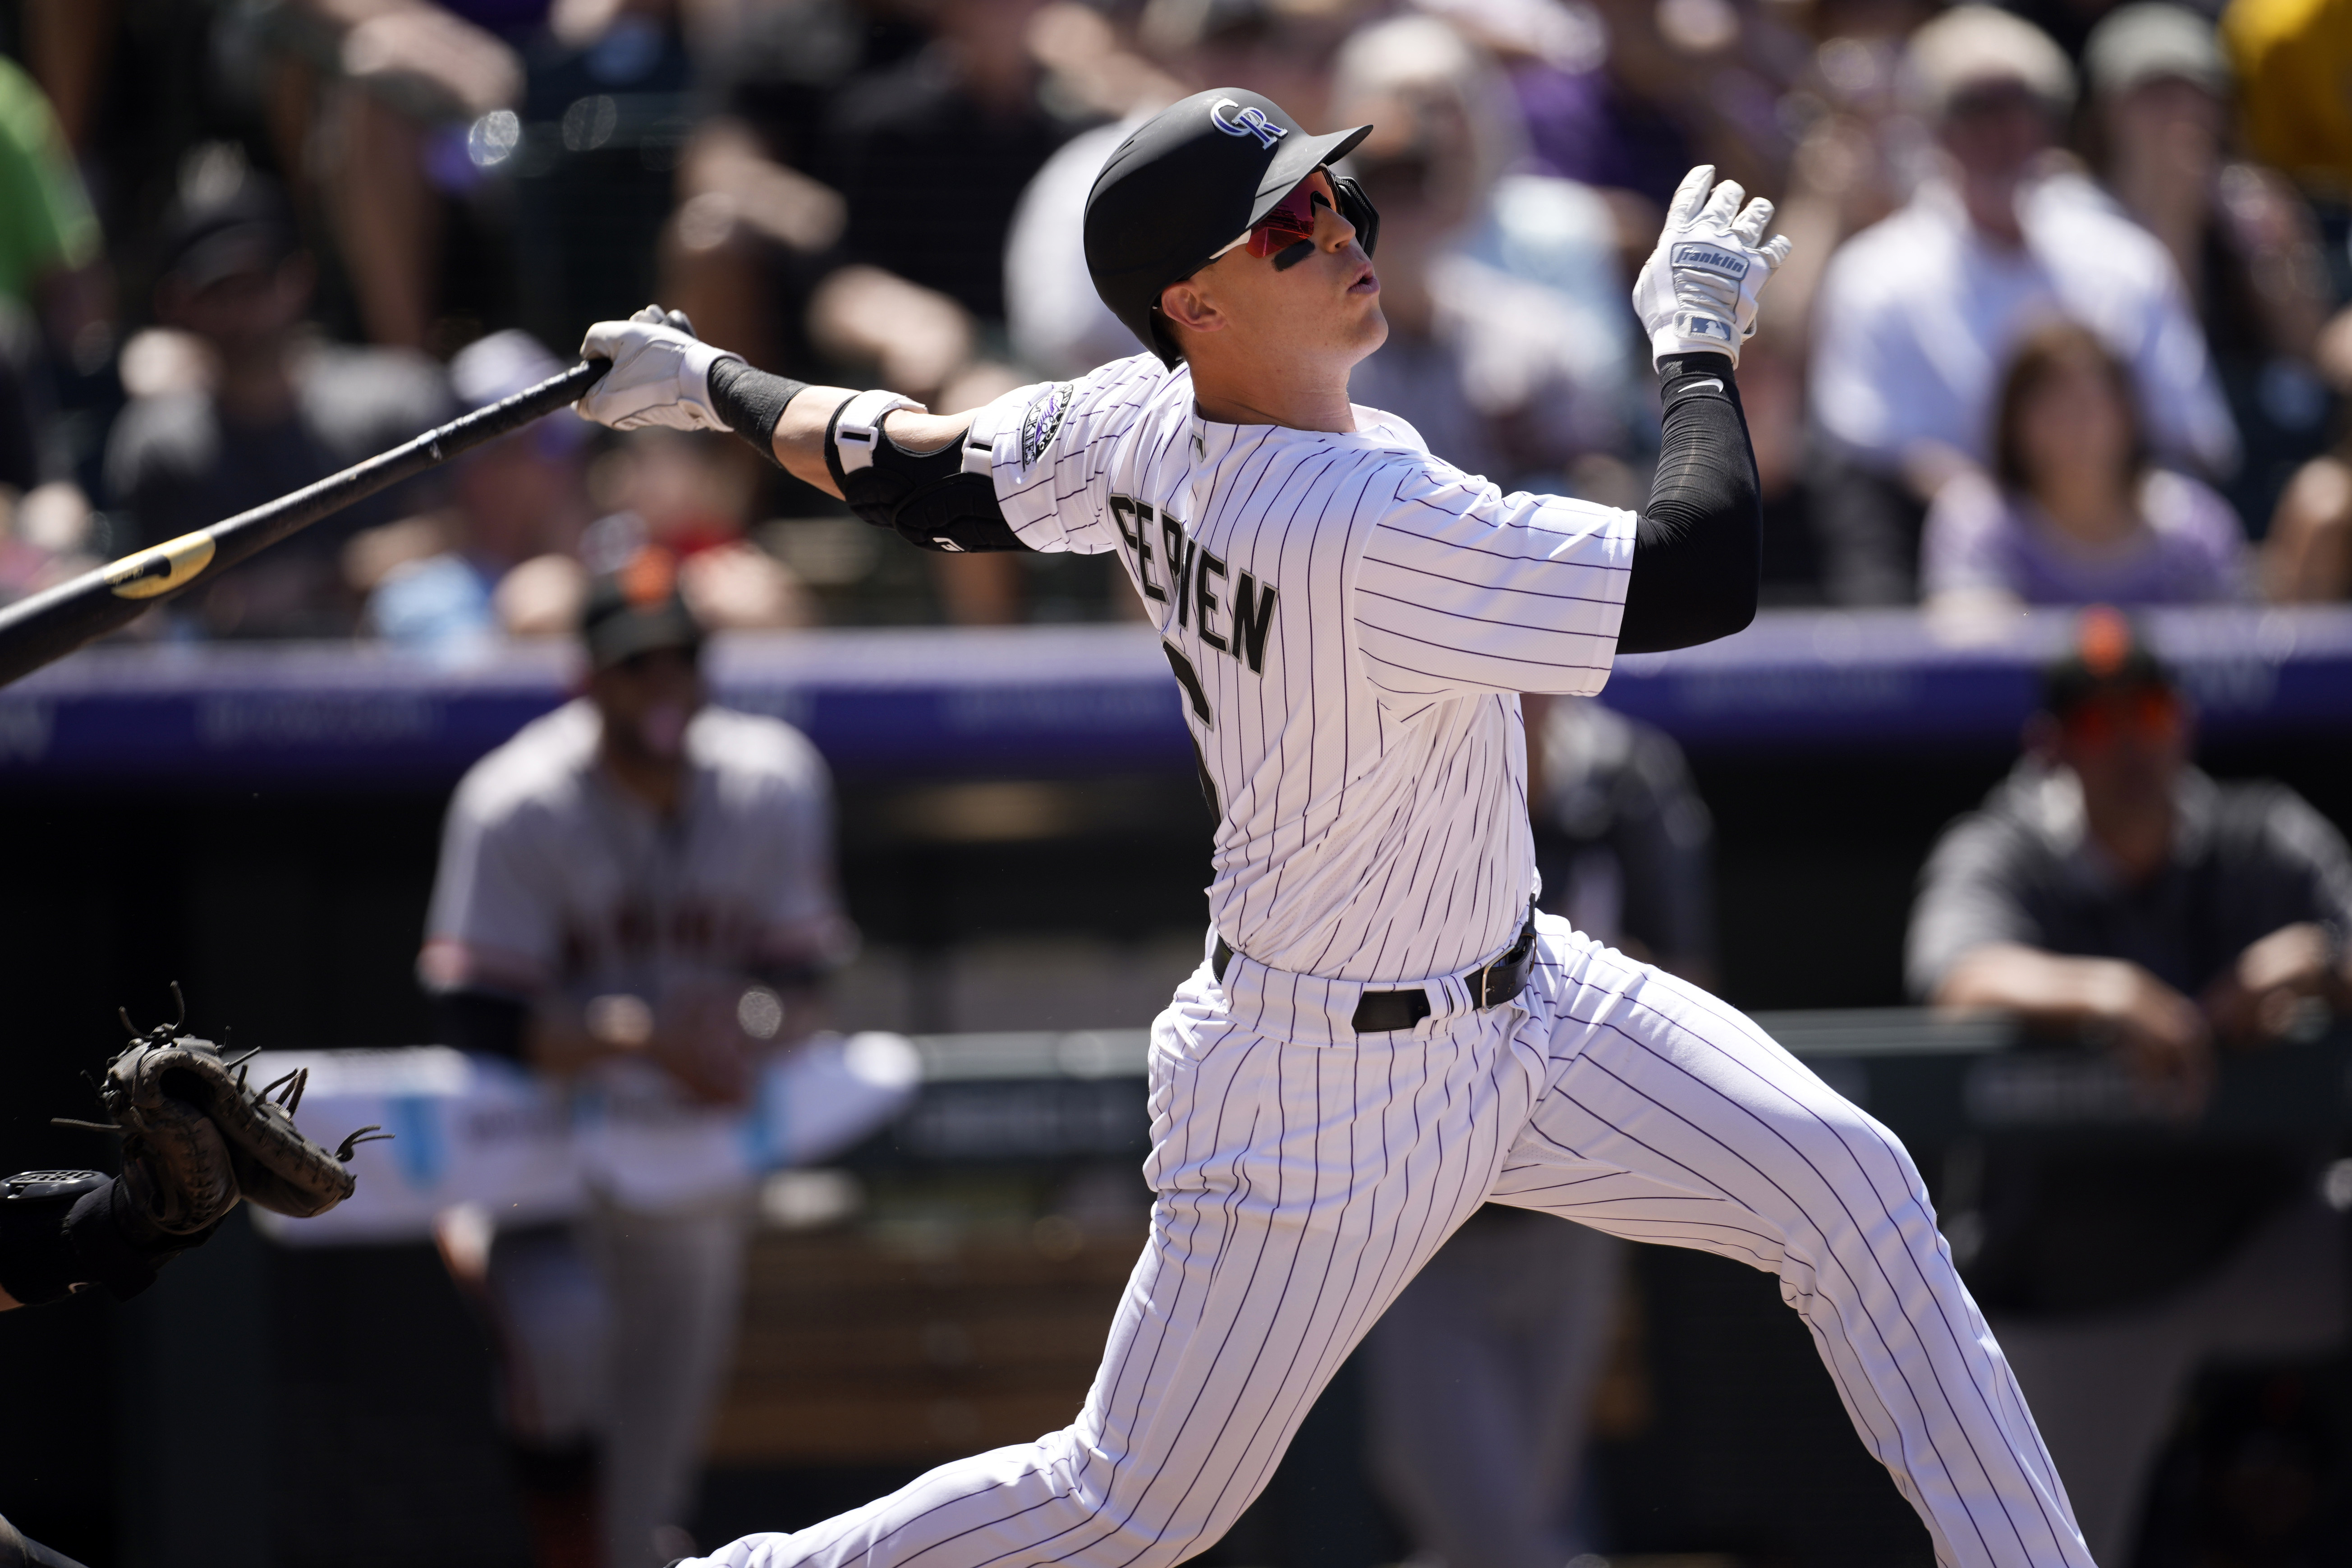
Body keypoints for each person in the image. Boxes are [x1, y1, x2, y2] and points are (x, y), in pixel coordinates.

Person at [571, 88, 2094, 1568]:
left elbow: (909, 469)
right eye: (1283, 225)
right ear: (1195, 305)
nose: (1338, 224)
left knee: (1853, 1188)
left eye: (1325, 194)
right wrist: (1693, 348)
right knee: (1127, 1506)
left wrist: (706, 379)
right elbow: (1698, 574)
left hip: (1529, 995)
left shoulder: (1135, 421)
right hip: (1320, 1089)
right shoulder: (1347, 518)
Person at [418, 557, 851, 1568]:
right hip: (540, 1150)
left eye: (679, 663)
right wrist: (634, 1035)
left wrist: (738, 1025)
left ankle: (628, 1544)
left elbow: (804, 984)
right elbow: (476, 1014)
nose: (661, 686)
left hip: (686, 1150)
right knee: (564, 1341)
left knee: (657, 1449)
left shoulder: (771, 778)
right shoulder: (516, 798)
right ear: (589, 676)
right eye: (635, 666)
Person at [1906, 607, 2352, 1564]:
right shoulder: (2011, 845)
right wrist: (2103, 992)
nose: (2131, 743)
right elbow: (1954, 973)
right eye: (2099, 724)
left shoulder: (2258, 831)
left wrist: (2319, 962)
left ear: (2181, 720)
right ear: (2053, 747)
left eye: (2145, 711)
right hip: (2080, 1284)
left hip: (2258, 1243)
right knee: (2038, 1553)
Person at [1363, 693, 1717, 1568]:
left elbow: (1688, 988)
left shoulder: (1627, 780)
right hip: (1424, 1222)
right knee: (1497, 1532)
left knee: (1507, 1517)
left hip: (1570, 1206)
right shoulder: (1393, 771)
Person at [1807, 5, 2236, 604]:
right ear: (1932, 128)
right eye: (1973, 108)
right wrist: (2008, 521)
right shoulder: (1873, 275)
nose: (2001, 131)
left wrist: (2083, 512)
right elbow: (1866, 450)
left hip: (2127, 558)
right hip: (1940, 574)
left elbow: (2190, 432)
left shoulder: (2127, 259)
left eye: (2020, 106)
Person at [102, 157, 451, 638]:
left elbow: (459, 532)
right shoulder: (158, 445)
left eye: (255, 285)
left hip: (383, 664)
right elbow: (152, 596)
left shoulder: (395, 398)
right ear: (179, 304)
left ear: (297, 281)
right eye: (219, 292)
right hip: (221, 676)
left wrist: (319, 578)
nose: (241, 313)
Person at [1921, 320, 2251, 609]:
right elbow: (1971, 657)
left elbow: (2230, 656)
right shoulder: (1978, 521)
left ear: (2129, 416)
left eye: (2089, 408)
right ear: (2013, 424)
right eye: (2052, 411)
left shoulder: (2194, 529)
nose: (2073, 431)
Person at [363, 329, 594, 655]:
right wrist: (521, 630)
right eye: (530, 445)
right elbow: (465, 693)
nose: (555, 466)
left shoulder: (616, 564)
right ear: (471, 467)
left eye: (557, 442)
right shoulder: (415, 601)